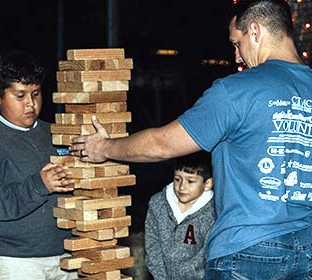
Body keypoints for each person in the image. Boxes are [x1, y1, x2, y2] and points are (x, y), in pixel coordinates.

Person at [70, 0, 312, 278]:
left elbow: (163, 144)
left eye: (237, 43)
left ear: (255, 31)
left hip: (248, 248)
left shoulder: (236, 90)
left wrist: (103, 147)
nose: (237, 57)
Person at [0, 50, 77, 280]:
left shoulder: (55, 134)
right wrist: (39, 185)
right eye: (20, 95)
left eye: (36, 94)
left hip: (65, 256)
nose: (31, 104)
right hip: (14, 262)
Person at [145, 152, 215, 280]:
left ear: (207, 184)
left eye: (190, 181)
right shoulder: (158, 204)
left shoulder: (213, 213)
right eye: (177, 179)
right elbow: (152, 246)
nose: (182, 186)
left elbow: (208, 257)